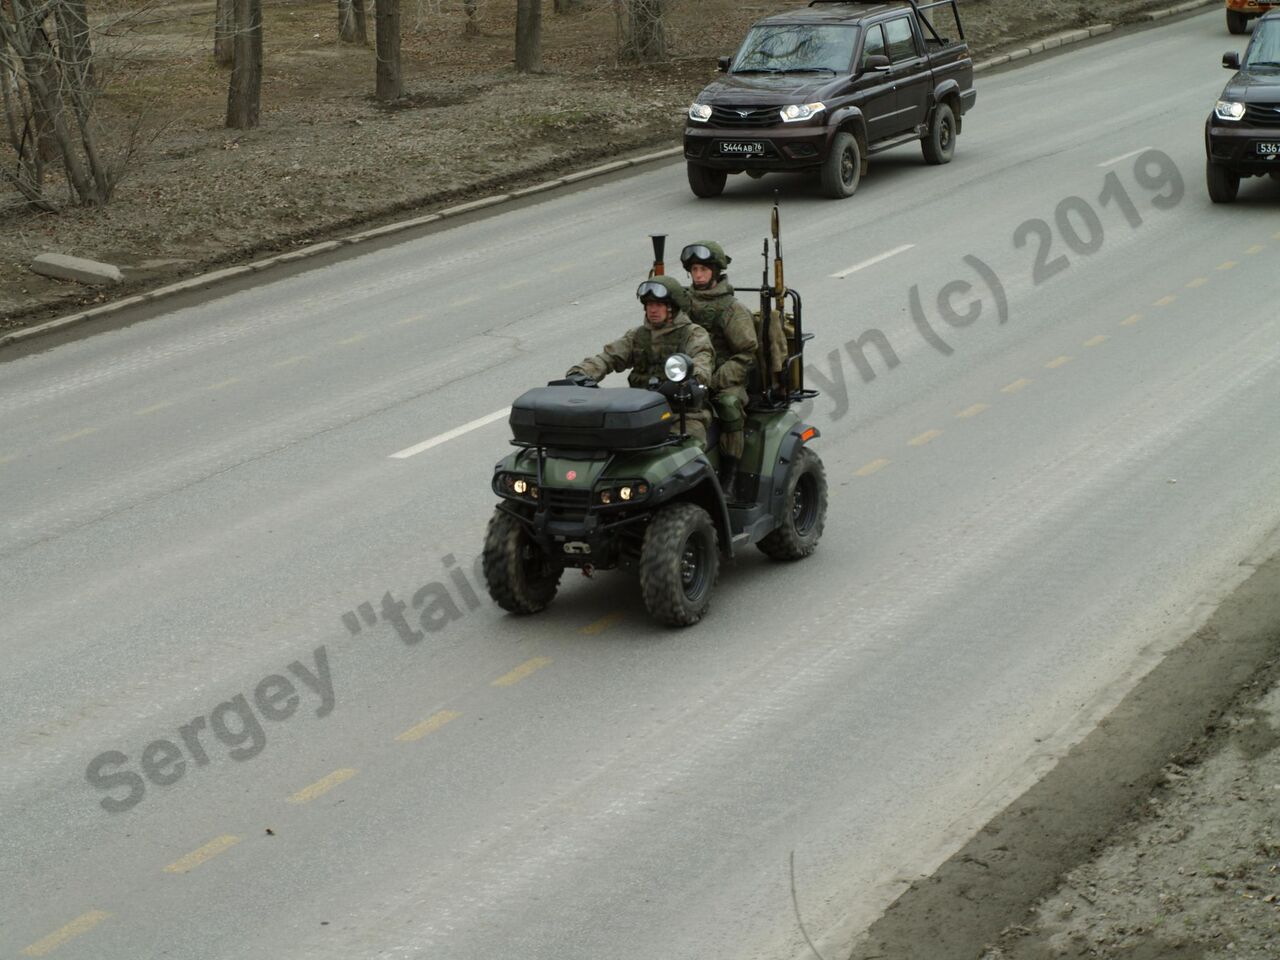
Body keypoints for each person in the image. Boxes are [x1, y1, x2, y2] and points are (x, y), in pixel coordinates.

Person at [565, 275, 715, 447]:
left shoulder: (693, 334)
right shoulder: (637, 335)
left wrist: (689, 381)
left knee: (685, 453)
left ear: (672, 307)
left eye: (658, 305)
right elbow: (608, 357)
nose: (653, 310)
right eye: (649, 305)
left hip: (680, 415)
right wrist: (581, 373)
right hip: (640, 413)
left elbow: (702, 360)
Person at [680, 241, 759, 494]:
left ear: (715, 271)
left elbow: (747, 353)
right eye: (694, 270)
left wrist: (714, 380)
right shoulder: (682, 305)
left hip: (726, 380)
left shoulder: (731, 309)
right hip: (687, 376)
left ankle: (730, 474)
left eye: (703, 269)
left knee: (728, 407)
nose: (698, 275)